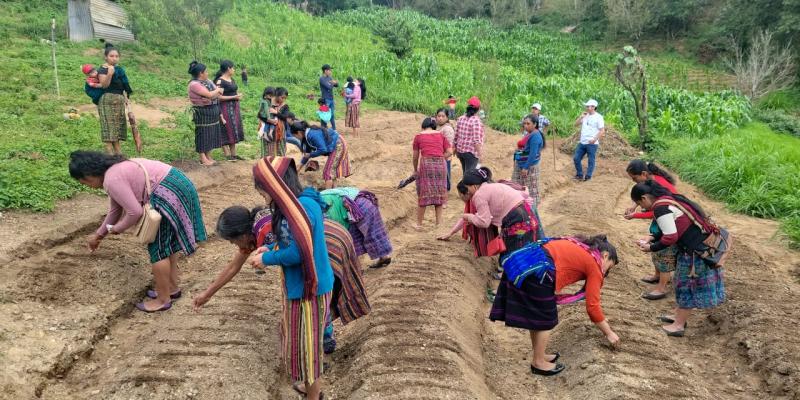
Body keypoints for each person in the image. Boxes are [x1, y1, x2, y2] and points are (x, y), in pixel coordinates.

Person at [193, 205, 370, 356]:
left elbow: (294, 256)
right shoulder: (257, 224)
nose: (235, 246)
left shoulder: (266, 232)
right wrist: (207, 295)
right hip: (332, 232)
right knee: (319, 292)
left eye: (232, 242)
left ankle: (318, 346)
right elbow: (233, 267)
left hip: (327, 241)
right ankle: (323, 336)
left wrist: (267, 259)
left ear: (241, 235)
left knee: (314, 293)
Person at [69, 151, 206, 312]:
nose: (88, 186)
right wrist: (99, 235)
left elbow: (135, 212)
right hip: (177, 184)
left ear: (88, 175)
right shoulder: (115, 170)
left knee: (158, 250)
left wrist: (117, 229)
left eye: (85, 183)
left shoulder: (112, 179)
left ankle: (163, 299)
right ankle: (171, 288)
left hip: (168, 192)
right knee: (167, 246)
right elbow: (115, 210)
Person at [245, 157, 334, 400]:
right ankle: (309, 388)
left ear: (275, 185)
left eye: (263, 188)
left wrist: (266, 260)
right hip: (316, 284)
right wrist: (271, 250)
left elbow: (296, 252)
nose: (262, 195)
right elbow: (297, 243)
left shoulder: (294, 212)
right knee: (310, 341)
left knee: (308, 346)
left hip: (308, 291)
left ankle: (313, 395)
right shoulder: (305, 201)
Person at [491, 234, 621, 375]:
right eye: (609, 267)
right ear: (605, 256)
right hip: (539, 271)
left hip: (527, 261)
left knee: (537, 316)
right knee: (546, 318)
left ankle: (539, 354)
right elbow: (592, 307)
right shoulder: (594, 264)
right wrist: (609, 333)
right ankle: (538, 362)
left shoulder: (581, 247)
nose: (606, 272)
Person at [632, 181, 726, 337]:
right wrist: (652, 237)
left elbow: (670, 236)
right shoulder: (669, 199)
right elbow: (673, 228)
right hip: (701, 247)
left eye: (639, 203)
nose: (642, 208)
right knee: (681, 283)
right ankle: (677, 316)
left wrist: (651, 247)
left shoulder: (660, 208)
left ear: (644, 198)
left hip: (696, 252)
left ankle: (678, 325)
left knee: (685, 286)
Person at [624, 160, 679, 300]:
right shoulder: (650, 183)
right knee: (656, 251)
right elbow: (645, 198)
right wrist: (634, 206)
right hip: (662, 221)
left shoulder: (660, 197)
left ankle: (662, 287)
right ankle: (657, 275)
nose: (634, 181)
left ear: (643, 174)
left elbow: (657, 211)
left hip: (669, 222)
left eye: (634, 178)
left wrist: (635, 215)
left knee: (663, 253)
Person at [320, 188, 393, 269]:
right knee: (373, 232)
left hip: (356, 209)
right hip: (367, 203)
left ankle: (355, 268)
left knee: (351, 238)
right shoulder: (324, 195)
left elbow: (336, 222)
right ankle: (384, 257)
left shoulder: (322, 204)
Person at [412, 117, 451, 229]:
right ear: (434, 126)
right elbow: (449, 151)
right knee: (439, 192)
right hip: (440, 165)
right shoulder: (441, 135)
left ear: (423, 126)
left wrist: (415, 170)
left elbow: (415, 157)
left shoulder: (419, 136)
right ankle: (438, 223)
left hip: (426, 165)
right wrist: (440, 158)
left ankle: (419, 224)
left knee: (424, 193)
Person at [290, 120, 352, 189]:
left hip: (338, 145)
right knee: (331, 172)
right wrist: (298, 169)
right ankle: (334, 190)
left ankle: (327, 196)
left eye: (294, 136)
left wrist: (311, 155)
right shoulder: (307, 136)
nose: (295, 138)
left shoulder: (312, 135)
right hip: (334, 145)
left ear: (298, 133)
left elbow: (323, 149)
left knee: (327, 173)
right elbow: (306, 154)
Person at [97, 42, 134, 155]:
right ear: (106, 57)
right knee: (108, 129)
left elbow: (122, 86)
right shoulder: (103, 69)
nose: (114, 58)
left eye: (116, 56)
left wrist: (126, 99)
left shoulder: (119, 70)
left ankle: (118, 154)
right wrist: (109, 74)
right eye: (111, 56)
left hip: (118, 101)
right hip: (107, 101)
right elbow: (104, 85)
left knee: (116, 129)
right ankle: (110, 155)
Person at [187, 61, 224, 166]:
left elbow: (217, 93)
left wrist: (215, 93)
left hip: (212, 109)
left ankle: (208, 156)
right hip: (202, 111)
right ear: (200, 73)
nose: (207, 73)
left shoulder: (208, 81)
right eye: (206, 71)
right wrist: (216, 92)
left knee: (211, 133)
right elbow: (210, 94)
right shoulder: (194, 84)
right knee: (203, 133)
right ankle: (203, 158)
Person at [214, 60, 245, 161]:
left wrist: (236, 97)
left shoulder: (232, 79)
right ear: (228, 68)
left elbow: (233, 92)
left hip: (234, 107)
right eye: (233, 68)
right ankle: (227, 154)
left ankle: (233, 154)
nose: (234, 69)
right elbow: (218, 97)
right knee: (227, 128)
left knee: (234, 128)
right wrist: (234, 97)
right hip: (224, 108)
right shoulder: (220, 81)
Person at [512, 115, 545, 207]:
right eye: (524, 123)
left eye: (528, 124)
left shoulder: (536, 137)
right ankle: (520, 205)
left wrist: (526, 167)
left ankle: (531, 209)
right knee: (519, 185)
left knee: (530, 188)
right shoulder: (530, 134)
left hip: (529, 166)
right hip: (522, 164)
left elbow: (533, 154)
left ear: (535, 124)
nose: (525, 126)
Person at [573, 99, 605, 181]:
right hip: (582, 142)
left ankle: (588, 176)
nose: (588, 108)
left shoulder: (599, 117)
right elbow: (575, 125)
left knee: (591, 160)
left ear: (594, 107)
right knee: (576, 158)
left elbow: (602, 130)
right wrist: (581, 117)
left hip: (592, 143)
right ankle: (579, 174)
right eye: (587, 106)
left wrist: (594, 139)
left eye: (590, 106)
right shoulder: (585, 116)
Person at [454, 96, 485, 174]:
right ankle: (464, 186)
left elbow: (456, 136)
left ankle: (464, 185)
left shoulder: (460, 118)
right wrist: (480, 155)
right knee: (469, 175)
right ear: (478, 109)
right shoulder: (476, 121)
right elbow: (476, 141)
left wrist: (455, 148)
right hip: (470, 153)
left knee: (465, 172)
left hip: (460, 151)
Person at [435, 108, 456, 192]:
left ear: (447, 118)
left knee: (444, 178)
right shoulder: (438, 127)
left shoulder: (447, 129)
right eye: (439, 116)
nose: (440, 118)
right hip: (438, 157)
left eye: (443, 116)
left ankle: (444, 195)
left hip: (444, 157)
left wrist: (442, 157)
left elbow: (450, 148)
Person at [257, 87, 277, 157]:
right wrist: (269, 118)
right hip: (266, 118)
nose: (272, 97)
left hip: (263, 118)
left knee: (269, 123)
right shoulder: (266, 102)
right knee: (271, 122)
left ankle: (267, 134)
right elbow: (266, 111)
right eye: (271, 96)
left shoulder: (264, 100)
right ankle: (268, 133)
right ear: (267, 95)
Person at [319, 64, 339, 130]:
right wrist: (333, 83)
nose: (330, 72)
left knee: (332, 115)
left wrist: (334, 83)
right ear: (325, 71)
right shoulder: (322, 79)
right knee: (324, 115)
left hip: (331, 99)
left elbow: (337, 85)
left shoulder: (329, 78)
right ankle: (323, 129)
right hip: (325, 99)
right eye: (329, 70)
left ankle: (334, 129)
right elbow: (329, 87)